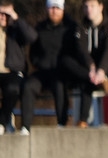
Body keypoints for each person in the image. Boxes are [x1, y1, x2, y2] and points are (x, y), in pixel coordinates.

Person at [59, 0, 108, 127]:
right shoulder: (80, 27)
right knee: (66, 61)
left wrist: (101, 71)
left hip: (105, 70)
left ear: (101, 7)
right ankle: (79, 121)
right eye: (86, 7)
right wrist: (91, 69)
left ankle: (83, 120)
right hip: (87, 71)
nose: (88, 10)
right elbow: (81, 50)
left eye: (92, 6)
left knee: (87, 83)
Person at [19, 0, 74, 133]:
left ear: (62, 9)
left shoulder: (70, 28)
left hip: (61, 72)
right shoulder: (40, 28)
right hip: (43, 71)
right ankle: (25, 126)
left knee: (59, 86)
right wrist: (38, 62)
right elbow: (33, 52)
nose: (54, 11)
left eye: (57, 8)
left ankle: (61, 123)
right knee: (28, 86)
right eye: (51, 8)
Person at [0, 0, 36, 135]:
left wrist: (16, 18)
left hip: (12, 71)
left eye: (6, 14)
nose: (3, 17)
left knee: (13, 89)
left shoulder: (16, 29)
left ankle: (2, 121)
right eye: (0, 13)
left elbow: (32, 37)